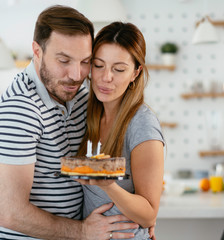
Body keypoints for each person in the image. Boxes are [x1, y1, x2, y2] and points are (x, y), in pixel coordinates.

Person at [0, 5, 139, 240]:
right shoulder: (19, 109)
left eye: (85, 61)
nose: (76, 74)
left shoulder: (80, 92)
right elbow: (11, 214)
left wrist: (142, 217)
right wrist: (83, 231)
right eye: (64, 60)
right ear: (37, 51)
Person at [77, 22, 165, 240]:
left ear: (136, 73)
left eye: (119, 69)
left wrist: (109, 186)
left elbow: (149, 215)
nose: (106, 77)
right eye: (98, 65)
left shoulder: (142, 125)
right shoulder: (88, 114)